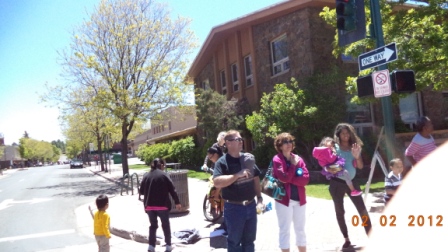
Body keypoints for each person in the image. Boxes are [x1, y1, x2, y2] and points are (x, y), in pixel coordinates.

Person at [213, 130, 264, 252]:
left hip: (251, 206)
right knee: (234, 242)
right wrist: (237, 175)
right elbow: (217, 182)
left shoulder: (248, 159)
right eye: (238, 139)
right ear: (228, 143)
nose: (241, 142)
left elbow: (256, 179)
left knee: (249, 242)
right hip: (234, 208)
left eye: (241, 139)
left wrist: (260, 198)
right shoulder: (222, 162)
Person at [330, 123, 371, 250]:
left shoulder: (354, 147)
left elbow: (359, 166)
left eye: (347, 133)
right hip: (337, 183)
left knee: (362, 209)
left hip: (353, 182)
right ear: (338, 135)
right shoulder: (333, 148)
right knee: (340, 211)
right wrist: (337, 167)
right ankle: (346, 239)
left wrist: (357, 156)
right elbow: (328, 167)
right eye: (343, 133)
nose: (345, 135)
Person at [272, 133, 309, 252]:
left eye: (290, 141)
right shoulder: (277, 159)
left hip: (299, 200)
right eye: (285, 142)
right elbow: (283, 178)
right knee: (284, 230)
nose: (289, 144)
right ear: (280, 146)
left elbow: (305, 179)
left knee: (300, 230)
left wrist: (289, 178)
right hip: (283, 200)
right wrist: (293, 167)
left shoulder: (299, 159)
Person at [139, 158, 181, 252]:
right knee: (165, 225)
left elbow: (141, 191)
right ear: (161, 165)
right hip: (162, 205)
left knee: (153, 226)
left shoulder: (146, 175)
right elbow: (172, 189)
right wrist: (177, 202)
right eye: (164, 166)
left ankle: (151, 246)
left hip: (149, 206)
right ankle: (168, 246)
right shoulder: (164, 175)